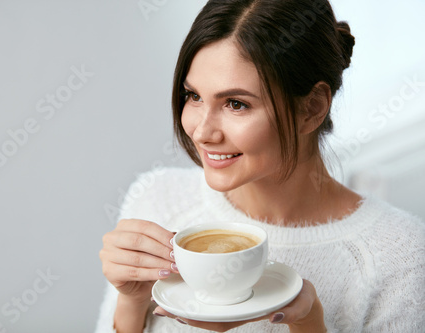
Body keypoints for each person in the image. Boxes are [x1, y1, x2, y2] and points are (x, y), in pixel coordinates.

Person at [96, 0, 425, 332]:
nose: (202, 131)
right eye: (193, 96)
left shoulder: (398, 257)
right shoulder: (156, 201)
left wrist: (309, 324)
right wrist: (132, 302)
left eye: (235, 104)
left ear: (312, 108)